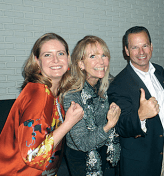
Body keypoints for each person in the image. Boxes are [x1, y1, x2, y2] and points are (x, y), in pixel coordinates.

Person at [0, 33, 84, 175]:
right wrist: (69, 123)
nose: (55, 60)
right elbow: (32, 155)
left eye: (60, 53)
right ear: (37, 61)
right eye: (47, 55)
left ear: (68, 58)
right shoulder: (39, 95)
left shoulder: (53, 92)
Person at [107, 26, 164, 176]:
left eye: (145, 45)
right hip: (141, 159)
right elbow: (121, 126)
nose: (141, 52)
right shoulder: (118, 84)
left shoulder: (159, 71)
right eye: (135, 47)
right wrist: (140, 115)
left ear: (151, 47)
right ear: (126, 51)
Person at [62, 35, 121, 176]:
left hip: (105, 150)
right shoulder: (72, 94)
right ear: (81, 64)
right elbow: (82, 143)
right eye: (93, 56)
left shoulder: (108, 84)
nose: (101, 61)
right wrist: (109, 125)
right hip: (82, 158)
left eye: (104, 55)